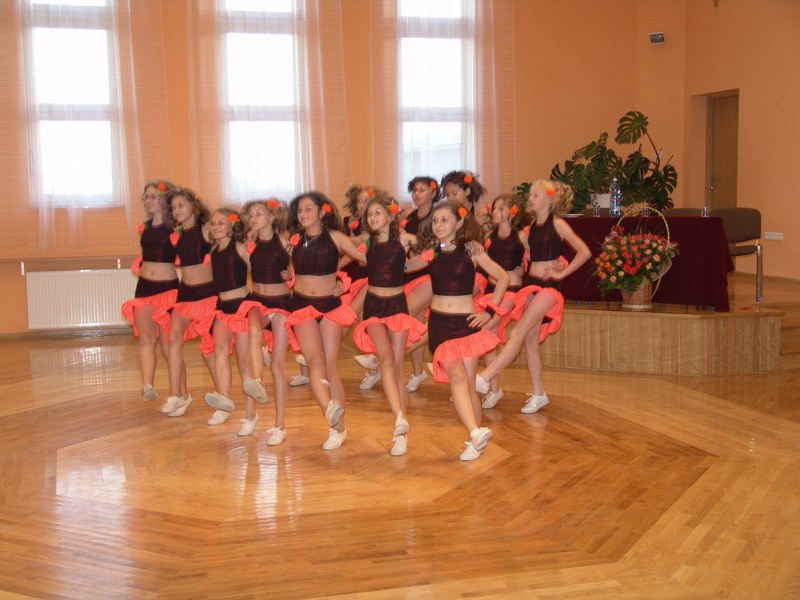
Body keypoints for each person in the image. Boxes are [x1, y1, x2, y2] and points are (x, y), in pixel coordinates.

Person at [475, 180, 591, 413]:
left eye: (536, 195)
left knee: (516, 333)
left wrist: (562, 271)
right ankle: (539, 394)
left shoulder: (557, 224)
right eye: (531, 195)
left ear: (551, 199)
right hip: (531, 285)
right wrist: (522, 266)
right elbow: (525, 254)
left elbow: (584, 251)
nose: (531, 198)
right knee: (529, 342)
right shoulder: (530, 229)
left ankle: (486, 376)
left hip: (549, 287)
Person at [414, 200, 510, 461]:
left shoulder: (471, 250)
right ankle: (476, 432)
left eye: (444, 220)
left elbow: (503, 278)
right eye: (435, 220)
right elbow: (402, 266)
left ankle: (474, 440)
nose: (438, 225)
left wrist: (489, 311)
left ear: (459, 223)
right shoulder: (431, 252)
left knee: (468, 384)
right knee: (457, 376)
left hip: (467, 324)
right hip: (440, 325)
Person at [284, 191, 366, 450]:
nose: (303, 214)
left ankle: (338, 429)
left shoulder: (336, 237)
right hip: (302, 307)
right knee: (315, 361)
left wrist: (343, 281)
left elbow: (365, 257)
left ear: (322, 212)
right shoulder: (294, 241)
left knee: (330, 368)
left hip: (330, 307)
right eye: (299, 210)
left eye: (308, 209)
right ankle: (330, 410)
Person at [351, 192, 426, 456]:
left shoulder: (403, 239)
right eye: (369, 214)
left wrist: (409, 265)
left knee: (396, 367)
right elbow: (343, 249)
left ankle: (400, 432)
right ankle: (399, 417)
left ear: (391, 216)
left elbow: (433, 248)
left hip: (397, 306)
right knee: (385, 359)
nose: (372, 217)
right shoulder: (367, 243)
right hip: (373, 306)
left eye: (377, 212)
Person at [200, 208, 267, 433]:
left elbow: (259, 267)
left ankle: (251, 415)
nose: (216, 227)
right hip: (222, 309)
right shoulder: (213, 251)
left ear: (231, 227)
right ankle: (224, 401)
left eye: (221, 222)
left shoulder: (239, 247)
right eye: (213, 223)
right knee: (219, 352)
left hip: (241, 307)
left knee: (243, 361)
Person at [155, 187, 218, 418]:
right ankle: (178, 395)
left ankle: (222, 396)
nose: (177, 210)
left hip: (207, 295)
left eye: (181, 205)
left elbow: (227, 237)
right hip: (185, 295)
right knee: (172, 339)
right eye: (174, 208)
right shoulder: (179, 234)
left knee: (209, 348)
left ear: (194, 206)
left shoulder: (206, 229)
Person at [121, 180, 178, 402]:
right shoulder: (144, 227)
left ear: (165, 199)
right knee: (146, 339)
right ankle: (148, 386)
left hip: (168, 290)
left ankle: (178, 391)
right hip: (144, 288)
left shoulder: (176, 228)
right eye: (146, 197)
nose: (148, 200)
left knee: (167, 344)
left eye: (153, 196)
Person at [241, 198, 292, 446]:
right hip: (258, 301)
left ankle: (280, 425)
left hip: (281, 303)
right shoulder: (250, 243)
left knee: (278, 367)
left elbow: (298, 263)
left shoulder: (283, 239)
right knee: (252, 329)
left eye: (259, 213)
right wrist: (246, 242)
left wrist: (290, 273)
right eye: (250, 215)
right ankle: (257, 383)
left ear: (272, 217)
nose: (253, 218)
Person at [474, 193, 529, 409]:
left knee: (483, 329)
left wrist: (525, 266)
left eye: (501, 208)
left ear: (512, 212)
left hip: (511, 292)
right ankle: (494, 390)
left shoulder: (521, 236)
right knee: (488, 338)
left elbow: (535, 258)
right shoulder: (489, 236)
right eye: (494, 208)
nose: (495, 212)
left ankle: (476, 378)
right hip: (491, 290)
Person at [400, 176, 439, 392]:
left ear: (433, 193)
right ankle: (417, 372)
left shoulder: (438, 216)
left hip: (431, 274)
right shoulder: (410, 217)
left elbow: (436, 245)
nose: (417, 194)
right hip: (413, 272)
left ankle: (384, 358)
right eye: (414, 190)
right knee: (414, 324)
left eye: (422, 190)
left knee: (403, 314)